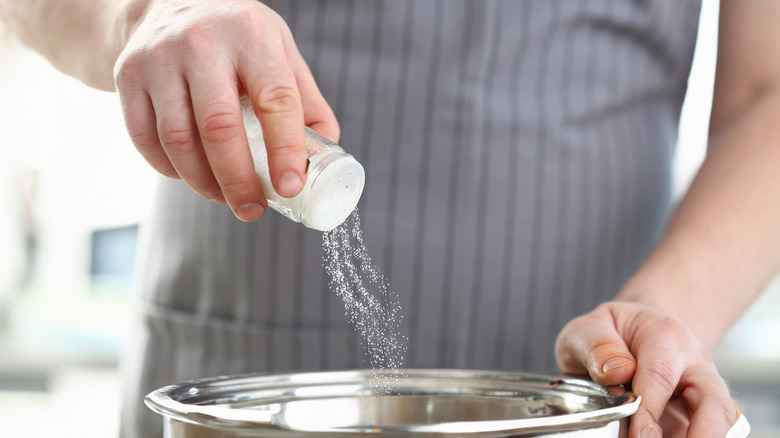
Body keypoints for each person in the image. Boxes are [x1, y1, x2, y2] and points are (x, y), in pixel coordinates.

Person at [2, 0, 778, 436]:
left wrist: (660, 316)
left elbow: (766, 94)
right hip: (246, 378)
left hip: (586, 405)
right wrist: (140, 14)